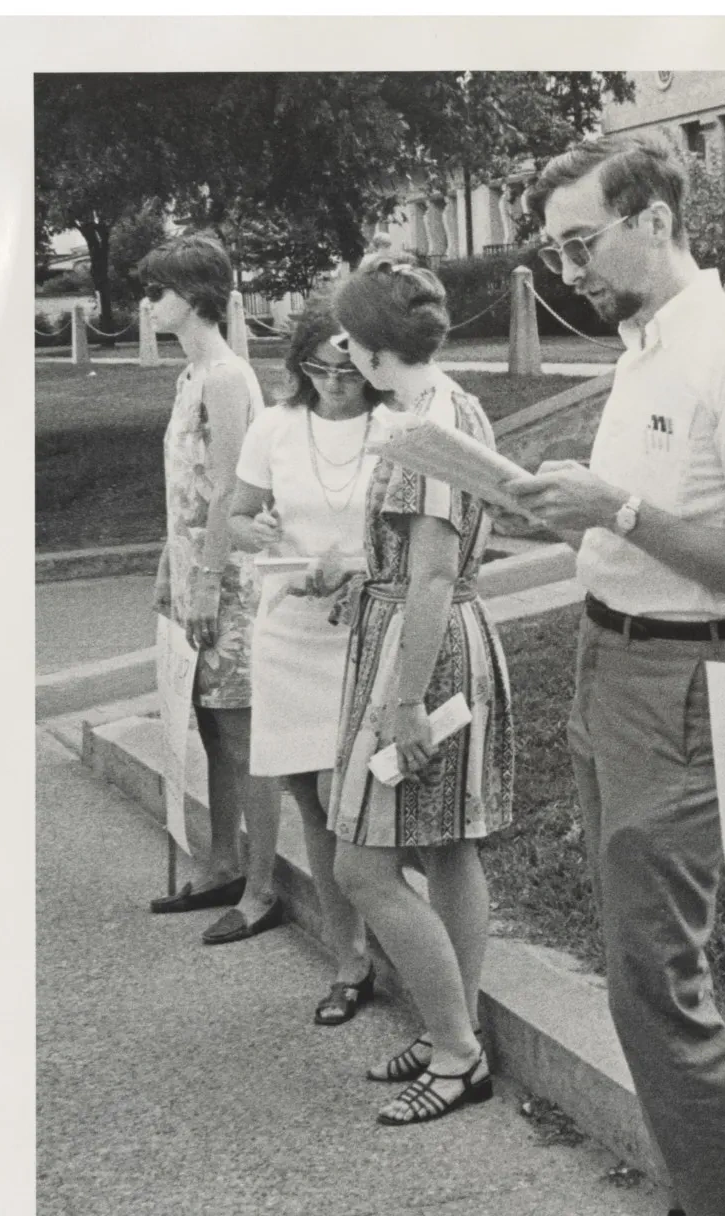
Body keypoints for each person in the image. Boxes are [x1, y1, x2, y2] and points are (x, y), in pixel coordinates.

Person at [504, 133, 725, 1216]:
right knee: (637, 969)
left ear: (655, 215)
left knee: (661, 977)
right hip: (609, 661)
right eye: (556, 249)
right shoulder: (646, 349)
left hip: (684, 680)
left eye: (580, 242)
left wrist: (619, 510)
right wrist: (565, 511)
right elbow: (635, 527)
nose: (569, 268)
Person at [328, 259, 515, 1126]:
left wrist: (403, 703)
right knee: (447, 848)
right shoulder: (447, 404)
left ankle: (457, 1051)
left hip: (423, 649)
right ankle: (455, 1025)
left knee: (361, 865)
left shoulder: (427, 425)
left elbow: (434, 574)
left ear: (369, 350)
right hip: (424, 633)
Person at [225, 305, 382, 1025]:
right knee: (313, 801)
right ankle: (349, 956)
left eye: (348, 371)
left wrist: (357, 573)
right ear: (299, 369)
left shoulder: (396, 426)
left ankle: (394, 926)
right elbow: (236, 514)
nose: (334, 385)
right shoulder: (277, 428)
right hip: (290, 625)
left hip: (365, 624)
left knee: (360, 794)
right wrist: (252, 529)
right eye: (319, 371)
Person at [142, 234, 282, 947]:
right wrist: (173, 562)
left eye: (158, 291)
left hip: (227, 581)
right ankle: (223, 862)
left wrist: (203, 578)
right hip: (197, 574)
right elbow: (187, 488)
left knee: (242, 731)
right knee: (209, 724)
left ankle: (262, 887)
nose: (147, 302)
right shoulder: (190, 376)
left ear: (193, 297)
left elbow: (231, 486)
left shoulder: (227, 377)